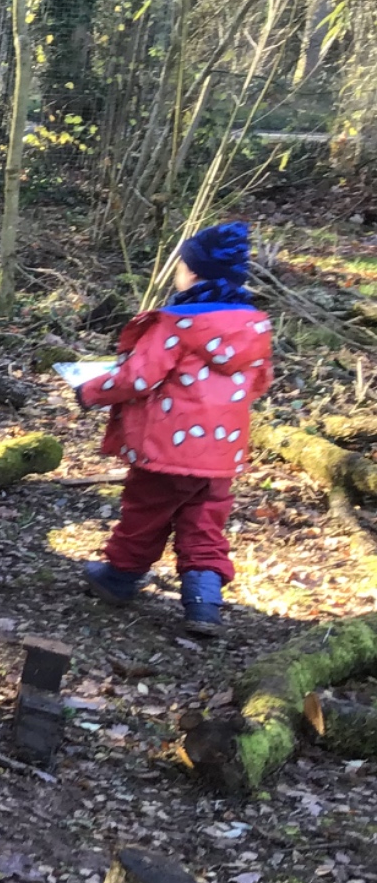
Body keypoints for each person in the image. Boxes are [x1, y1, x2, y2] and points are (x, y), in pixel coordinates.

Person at [77, 222, 272, 634]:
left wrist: (89, 391)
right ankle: (203, 603)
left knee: (145, 511)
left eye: (182, 266)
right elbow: (259, 382)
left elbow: (137, 377)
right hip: (222, 451)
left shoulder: (175, 324)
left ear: (194, 273)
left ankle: (119, 577)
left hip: (168, 446)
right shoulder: (254, 325)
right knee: (204, 520)